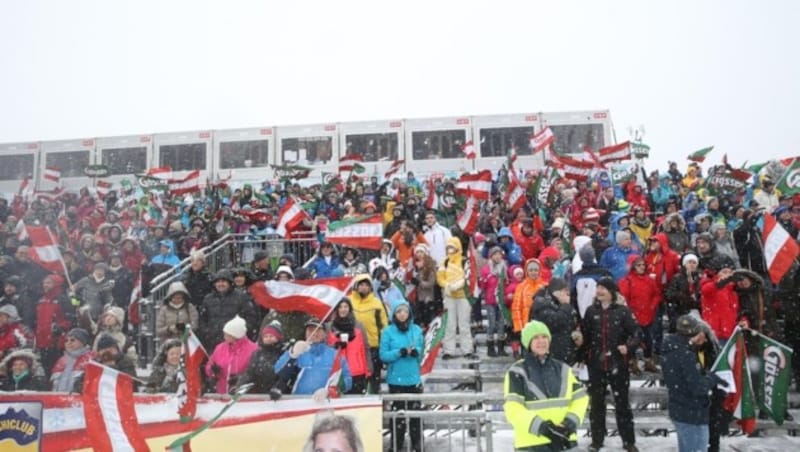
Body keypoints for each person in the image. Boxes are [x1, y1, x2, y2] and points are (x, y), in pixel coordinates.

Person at [503, 320, 589, 451]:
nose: (541, 341)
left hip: (564, 441)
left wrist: (568, 424)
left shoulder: (563, 369)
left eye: (544, 337)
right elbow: (513, 409)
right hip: (531, 444)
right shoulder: (517, 371)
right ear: (528, 343)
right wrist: (543, 428)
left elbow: (581, 400)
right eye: (536, 338)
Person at [579, 277, 642, 452]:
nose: (599, 291)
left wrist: (628, 347)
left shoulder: (622, 311)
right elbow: (586, 336)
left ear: (612, 292)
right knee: (597, 405)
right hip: (596, 365)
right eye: (598, 287)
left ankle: (628, 441)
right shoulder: (591, 311)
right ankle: (597, 441)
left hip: (618, 365)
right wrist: (581, 354)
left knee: (622, 405)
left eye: (603, 288)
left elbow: (637, 333)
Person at [661, 315, 725, 452]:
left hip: (680, 410)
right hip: (692, 413)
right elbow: (698, 387)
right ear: (694, 334)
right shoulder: (686, 355)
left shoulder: (670, 350)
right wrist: (712, 378)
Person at [379, 301, 425, 452]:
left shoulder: (417, 330)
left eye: (404, 311)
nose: (402, 314)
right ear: (394, 314)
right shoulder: (388, 331)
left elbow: (422, 350)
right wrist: (399, 352)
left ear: (409, 313)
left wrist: (416, 351)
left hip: (413, 379)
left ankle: (417, 446)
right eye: (398, 312)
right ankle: (396, 446)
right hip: (396, 381)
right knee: (398, 417)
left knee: (415, 417)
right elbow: (383, 355)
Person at [274, 318, 352, 399]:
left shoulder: (335, 355)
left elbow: (347, 380)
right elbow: (279, 371)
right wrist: (292, 354)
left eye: (318, 330)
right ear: (306, 333)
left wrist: (330, 391)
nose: (314, 333)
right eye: (310, 330)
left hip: (325, 403)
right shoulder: (298, 350)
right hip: (298, 402)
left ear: (325, 334)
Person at [436, 237, 476, 359]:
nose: (450, 249)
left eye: (452, 247)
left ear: (457, 247)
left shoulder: (464, 261)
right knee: (449, 324)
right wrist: (446, 285)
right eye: (448, 247)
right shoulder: (444, 262)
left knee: (464, 324)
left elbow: (469, 277)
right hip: (449, 296)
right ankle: (448, 350)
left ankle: (467, 349)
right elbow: (440, 277)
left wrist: (459, 285)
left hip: (463, 296)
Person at [349, 273, 387, 392]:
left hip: (373, 347)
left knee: (374, 378)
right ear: (356, 286)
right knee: (356, 378)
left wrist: (383, 345)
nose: (363, 287)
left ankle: (374, 399)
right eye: (361, 285)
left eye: (366, 285)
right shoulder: (349, 301)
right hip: (353, 347)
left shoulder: (376, 303)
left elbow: (383, 326)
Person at [531, 278, 581, 364]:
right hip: (551, 352)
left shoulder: (560, 302)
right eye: (564, 290)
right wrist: (565, 305)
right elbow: (554, 322)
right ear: (557, 291)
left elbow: (572, 320)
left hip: (565, 351)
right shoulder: (542, 303)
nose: (567, 293)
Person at [327, 297, 372, 395]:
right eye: (340, 307)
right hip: (337, 371)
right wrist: (335, 346)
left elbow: (365, 348)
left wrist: (368, 368)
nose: (343, 309)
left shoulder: (359, 326)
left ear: (350, 308)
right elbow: (326, 349)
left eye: (346, 306)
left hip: (357, 370)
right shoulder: (330, 327)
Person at [205, 315, 258, 394]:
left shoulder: (253, 349)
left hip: (243, 396)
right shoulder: (220, 348)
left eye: (227, 335)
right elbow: (209, 366)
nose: (224, 337)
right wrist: (212, 371)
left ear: (236, 335)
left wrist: (241, 379)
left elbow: (255, 373)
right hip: (221, 394)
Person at [238, 320, 285, 397]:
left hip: (275, 394)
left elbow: (284, 377)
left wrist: (278, 388)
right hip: (259, 392)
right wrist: (240, 387)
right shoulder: (257, 354)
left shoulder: (282, 353)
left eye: (271, 336)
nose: (268, 339)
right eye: (266, 336)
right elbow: (249, 373)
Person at [50, 328, 94, 392]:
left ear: (82, 342)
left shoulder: (90, 359)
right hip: (59, 400)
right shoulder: (61, 361)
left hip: (79, 400)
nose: (69, 343)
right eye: (66, 340)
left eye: (72, 340)